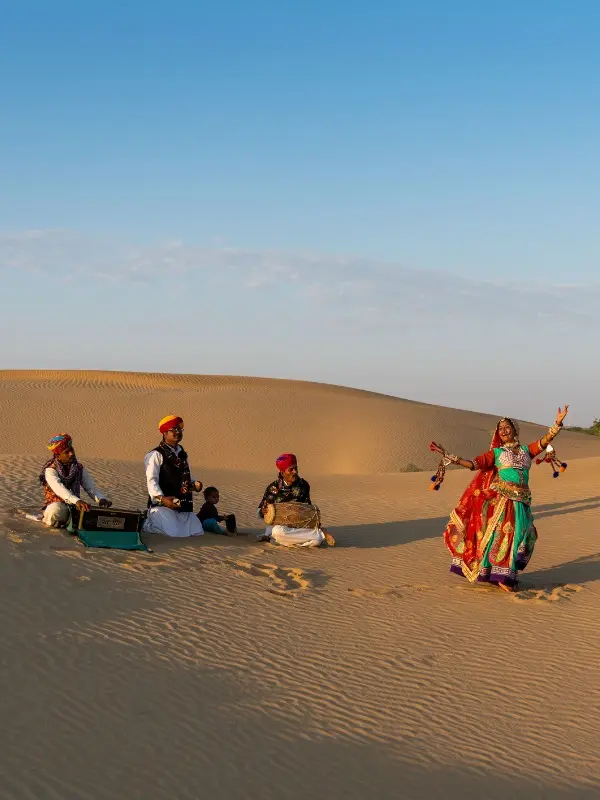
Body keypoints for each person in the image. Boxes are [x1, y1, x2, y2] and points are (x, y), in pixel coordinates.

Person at [432, 406, 569, 592]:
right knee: (509, 535)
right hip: (504, 501)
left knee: (523, 536)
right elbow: (474, 464)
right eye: (500, 428)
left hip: (523, 500)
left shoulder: (526, 451)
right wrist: (453, 458)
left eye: (507, 427)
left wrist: (557, 423)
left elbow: (545, 441)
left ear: (515, 430)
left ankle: (501, 574)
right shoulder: (496, 454)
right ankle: (504, 577)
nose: (503, 430)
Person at [143, 415, 205, 538]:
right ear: (165, 433)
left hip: (181, 505)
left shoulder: (182, 454)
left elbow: (184, 478)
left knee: (197, 531)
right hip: (163, 505)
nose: (178, 432)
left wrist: (194, 484)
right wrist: (162, 499)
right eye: (174, 429)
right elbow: (152, 481)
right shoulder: (155, 455)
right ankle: (147, 522)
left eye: (180, 430)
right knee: (173, 533)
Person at [256, 453, 335, 547]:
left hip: (299, 525)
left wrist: (313, 521)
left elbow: (307, 508)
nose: (295, 472)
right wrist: (262, 511)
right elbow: (259, 512)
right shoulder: (273, 488)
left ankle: (280, 541)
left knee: (316, 541)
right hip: (279, 526)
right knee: (277, 532)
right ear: (282, 472)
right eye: (291, 469)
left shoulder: (303, 485)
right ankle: (320, 534)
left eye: (296, 468)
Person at [39, 433, 112, 528]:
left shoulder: (78, 468)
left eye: (72, 450)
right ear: (58, 456)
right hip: (58, 504)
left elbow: (90, 487)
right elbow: (59, 488)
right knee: (55, 510)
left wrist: (101, 499)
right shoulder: (50, 470)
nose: (71, 453)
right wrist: (76, 501)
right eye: (66, 452)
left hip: (74, 505)